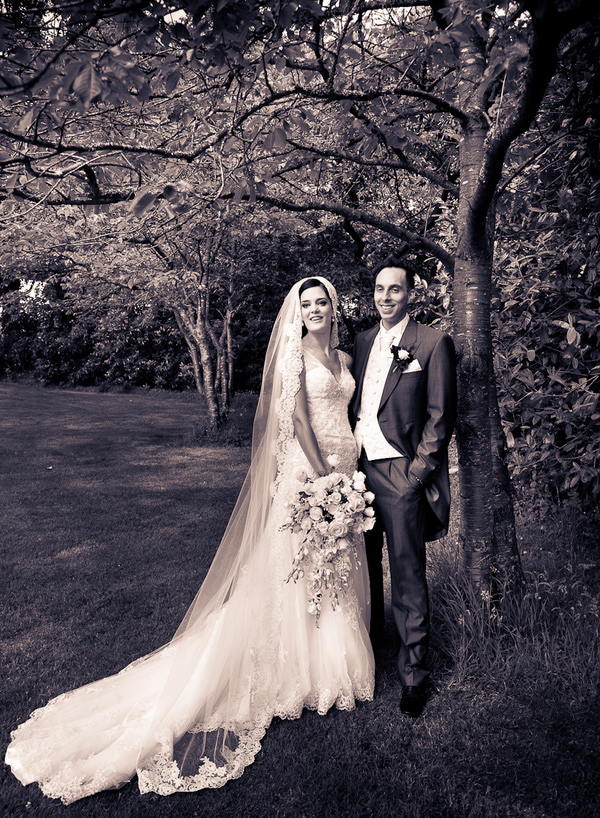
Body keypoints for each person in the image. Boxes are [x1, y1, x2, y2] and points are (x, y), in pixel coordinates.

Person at [5, 277, 375, 804]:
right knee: (296, 568)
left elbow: (346, 414)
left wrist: (347, 472)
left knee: (332, 566)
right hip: (311, 476)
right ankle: (294, 666)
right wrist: (324, 479)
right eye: (307, 303)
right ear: (298, 312)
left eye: (323, 303)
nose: (316, 309)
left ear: (334, 308)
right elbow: (296, 419)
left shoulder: (344, 357)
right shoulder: (294, 355)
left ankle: (326, 664)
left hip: (346, 471)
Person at [351, 257, 457, 718]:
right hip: (357, 472)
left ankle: (414, 675)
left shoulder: (432, 343)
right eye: (379, 289)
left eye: (395, 289)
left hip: (401, 472)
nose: (386, 297)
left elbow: (440, 416)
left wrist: (417, 474)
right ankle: (369, 652)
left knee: (408, 573)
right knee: (362, 569)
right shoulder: (361, 341)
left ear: (410, 293)